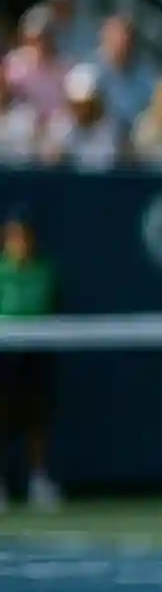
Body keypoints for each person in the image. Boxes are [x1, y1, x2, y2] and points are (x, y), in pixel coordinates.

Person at [0, 211, 61, 511]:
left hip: (36, 352)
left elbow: (50, 305)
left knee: (37, 418)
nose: (19, 243)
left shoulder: (45, 271)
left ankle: (38, 480)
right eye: (13, 237)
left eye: (23, 237)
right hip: (5, 353)